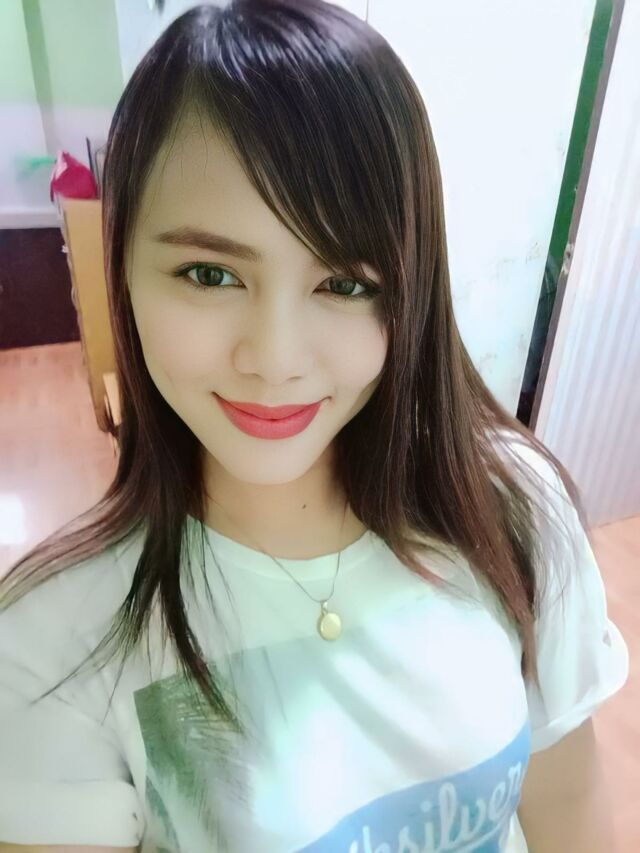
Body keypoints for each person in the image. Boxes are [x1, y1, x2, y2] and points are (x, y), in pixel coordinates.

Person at [0, 1, 629, 851]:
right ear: (126, 272)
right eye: (210, 273)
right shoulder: (48, 646)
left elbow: (567, 801)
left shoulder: (512, 506)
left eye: (344, 284)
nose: (275, 358)